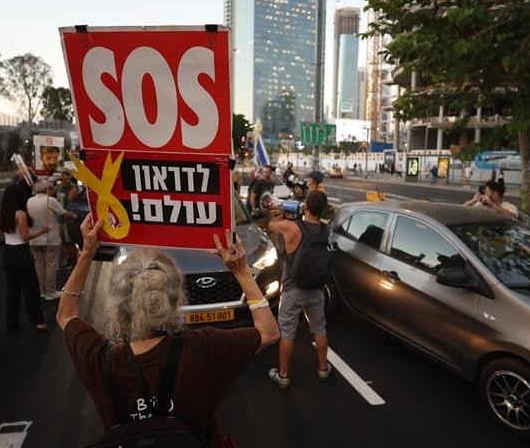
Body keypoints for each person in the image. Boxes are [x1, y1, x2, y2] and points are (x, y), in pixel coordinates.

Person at [56, 216, 279, 446]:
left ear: (119, 308)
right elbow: (269, 332)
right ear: (175, 302)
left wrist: (87, 252)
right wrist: (241, 271)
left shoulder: (100, 359)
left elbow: (66, 314)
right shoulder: (204, 348)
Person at [267, 191, 332, 390]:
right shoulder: (325, 229)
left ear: (305, 207)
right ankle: (323, 368)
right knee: (319, 328)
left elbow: (271, 225)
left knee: (288, 333)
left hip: (292, 289)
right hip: (316, 288)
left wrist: (283, 210)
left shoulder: (292, 227)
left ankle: (284, 375)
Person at [0, 184, 50, 331]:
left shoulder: (3, 213)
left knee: (12, 289)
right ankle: (38, 321)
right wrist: (42, 231)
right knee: (31, 288)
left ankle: (11, 322)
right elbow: (25, 237)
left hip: (7, 253)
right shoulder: (21, 214)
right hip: (21, 252)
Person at [27, 178, 76, 300]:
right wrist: (75, 215)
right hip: (50, 239)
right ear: (46, 189)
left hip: (34, 238)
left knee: (39, 265)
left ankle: (42, 290)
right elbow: (64, 214)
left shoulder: (29, 201)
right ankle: (50, 292)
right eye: (51, 188)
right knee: (51, 266)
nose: (53, 190)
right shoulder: (51, 200)